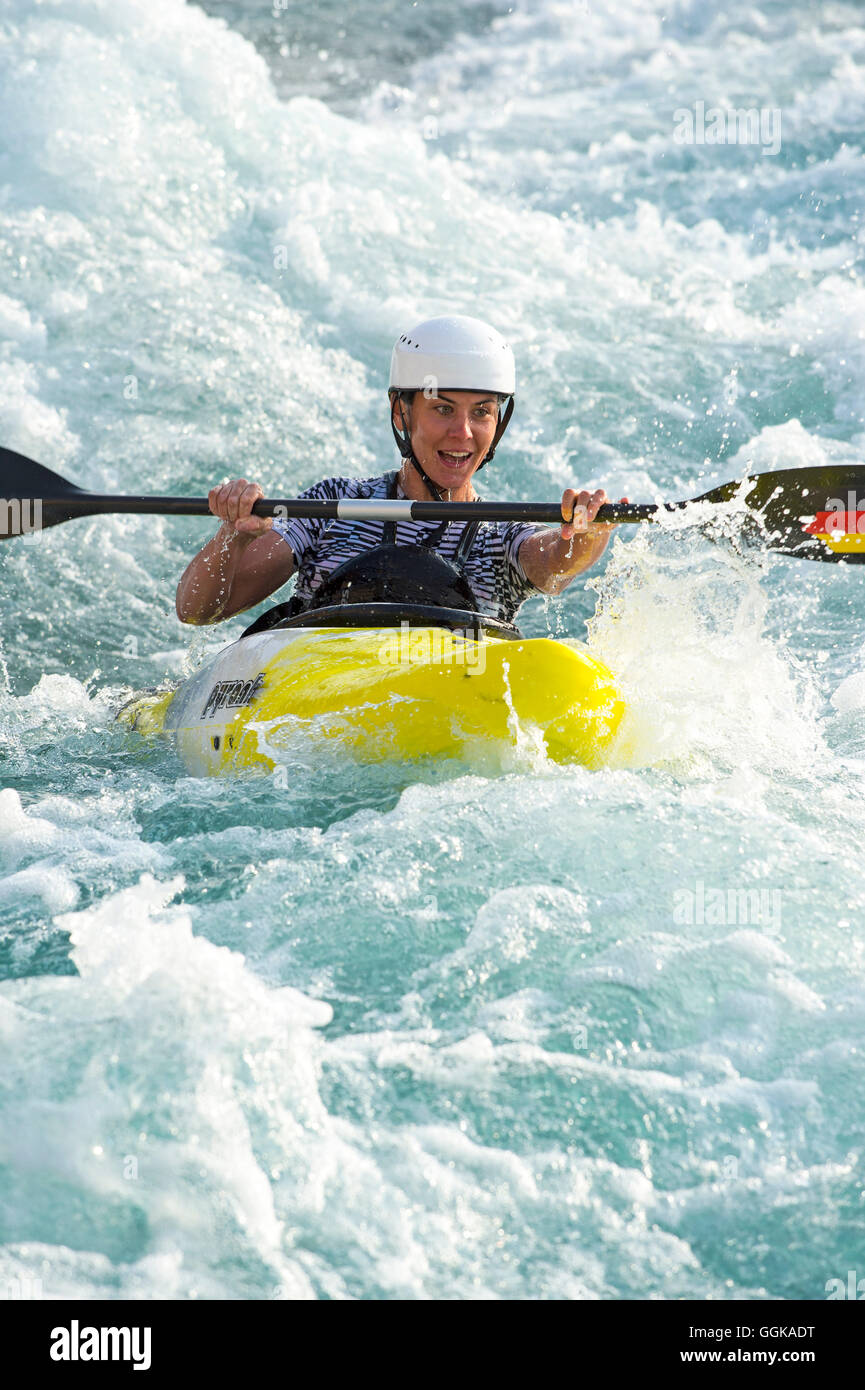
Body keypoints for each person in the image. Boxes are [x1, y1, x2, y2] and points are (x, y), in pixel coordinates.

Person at [175, 315, 626, 628]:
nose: (463, 433)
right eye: (442, 409)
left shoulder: (501, 533)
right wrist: (233, 537)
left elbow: (550, 563)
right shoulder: (333, 505)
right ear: (401, 413)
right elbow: (198, 611)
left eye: (482, 412)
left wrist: (582, 539)